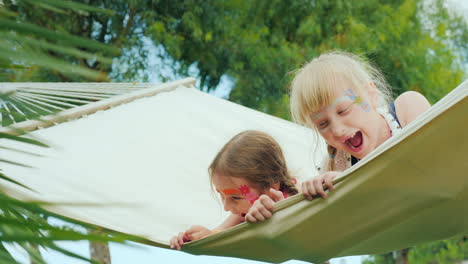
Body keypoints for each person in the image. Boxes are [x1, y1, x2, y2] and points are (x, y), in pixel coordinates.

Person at [250, 51, 431, 220]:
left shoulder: (407, 108)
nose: (336, 130)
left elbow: (428, 162)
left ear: (371, 95)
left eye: (343, 110)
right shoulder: (339, 163)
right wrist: (279, 210)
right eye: (322, 124)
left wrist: (350, 183)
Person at [169, 130, 298, 250]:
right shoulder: (243, 211)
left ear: (271, 186)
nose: (226, 207)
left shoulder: (296, 205)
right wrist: (198, 237)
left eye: (235, 197)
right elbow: (220, 234)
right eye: (221, 195)